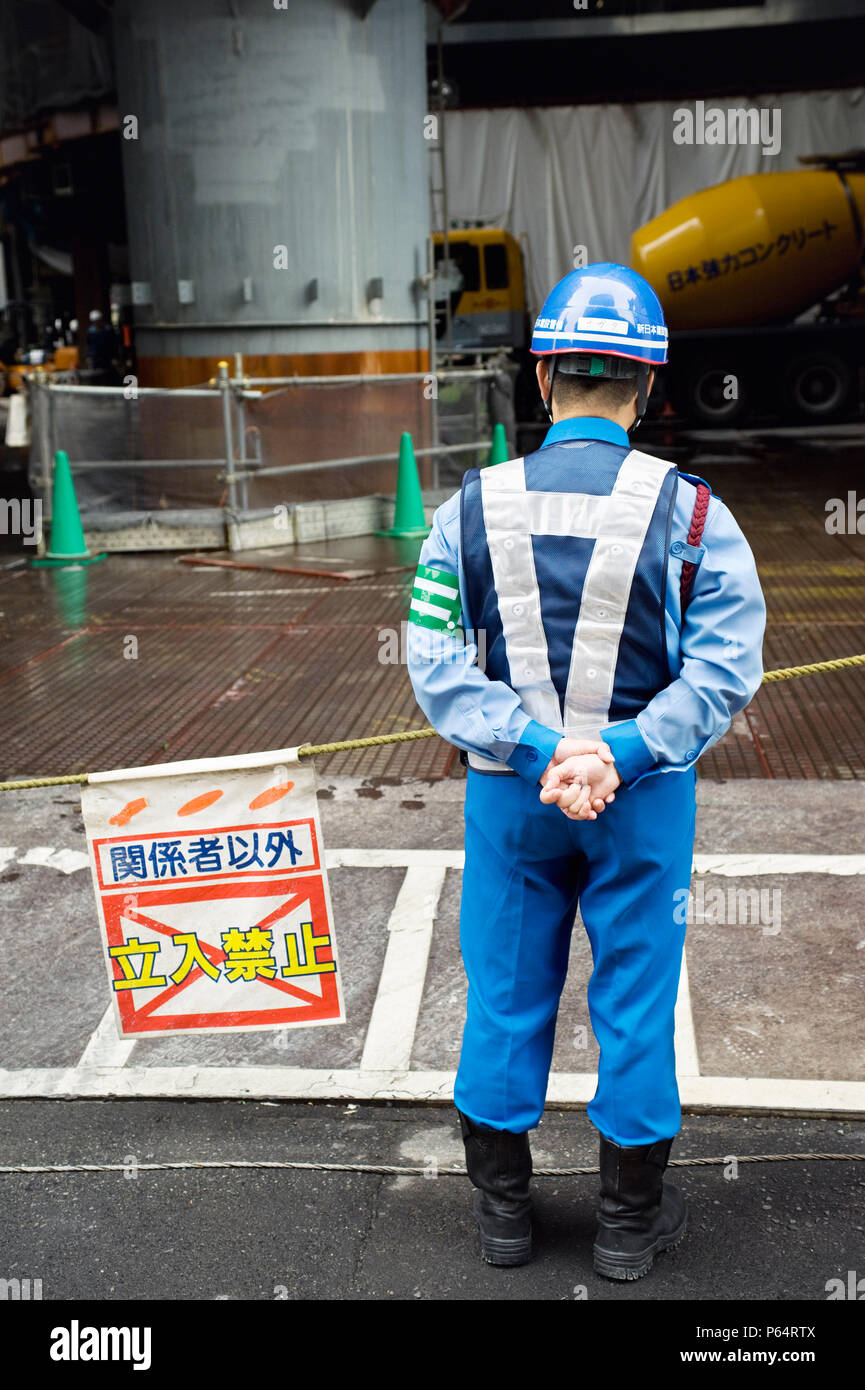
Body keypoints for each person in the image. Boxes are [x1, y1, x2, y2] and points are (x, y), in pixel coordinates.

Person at [406, 262, 766, 1280]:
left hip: (509, 800)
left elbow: (431, 656)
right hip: (640, 801)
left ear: (541, 377)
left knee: (507, 992)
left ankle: (504, 1218)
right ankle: (624, 1224)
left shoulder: (469, 510)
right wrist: (617, 751)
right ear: (647, 390)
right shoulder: (695, 516)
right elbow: (726, 665)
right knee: (637, 997)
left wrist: (536, 750)